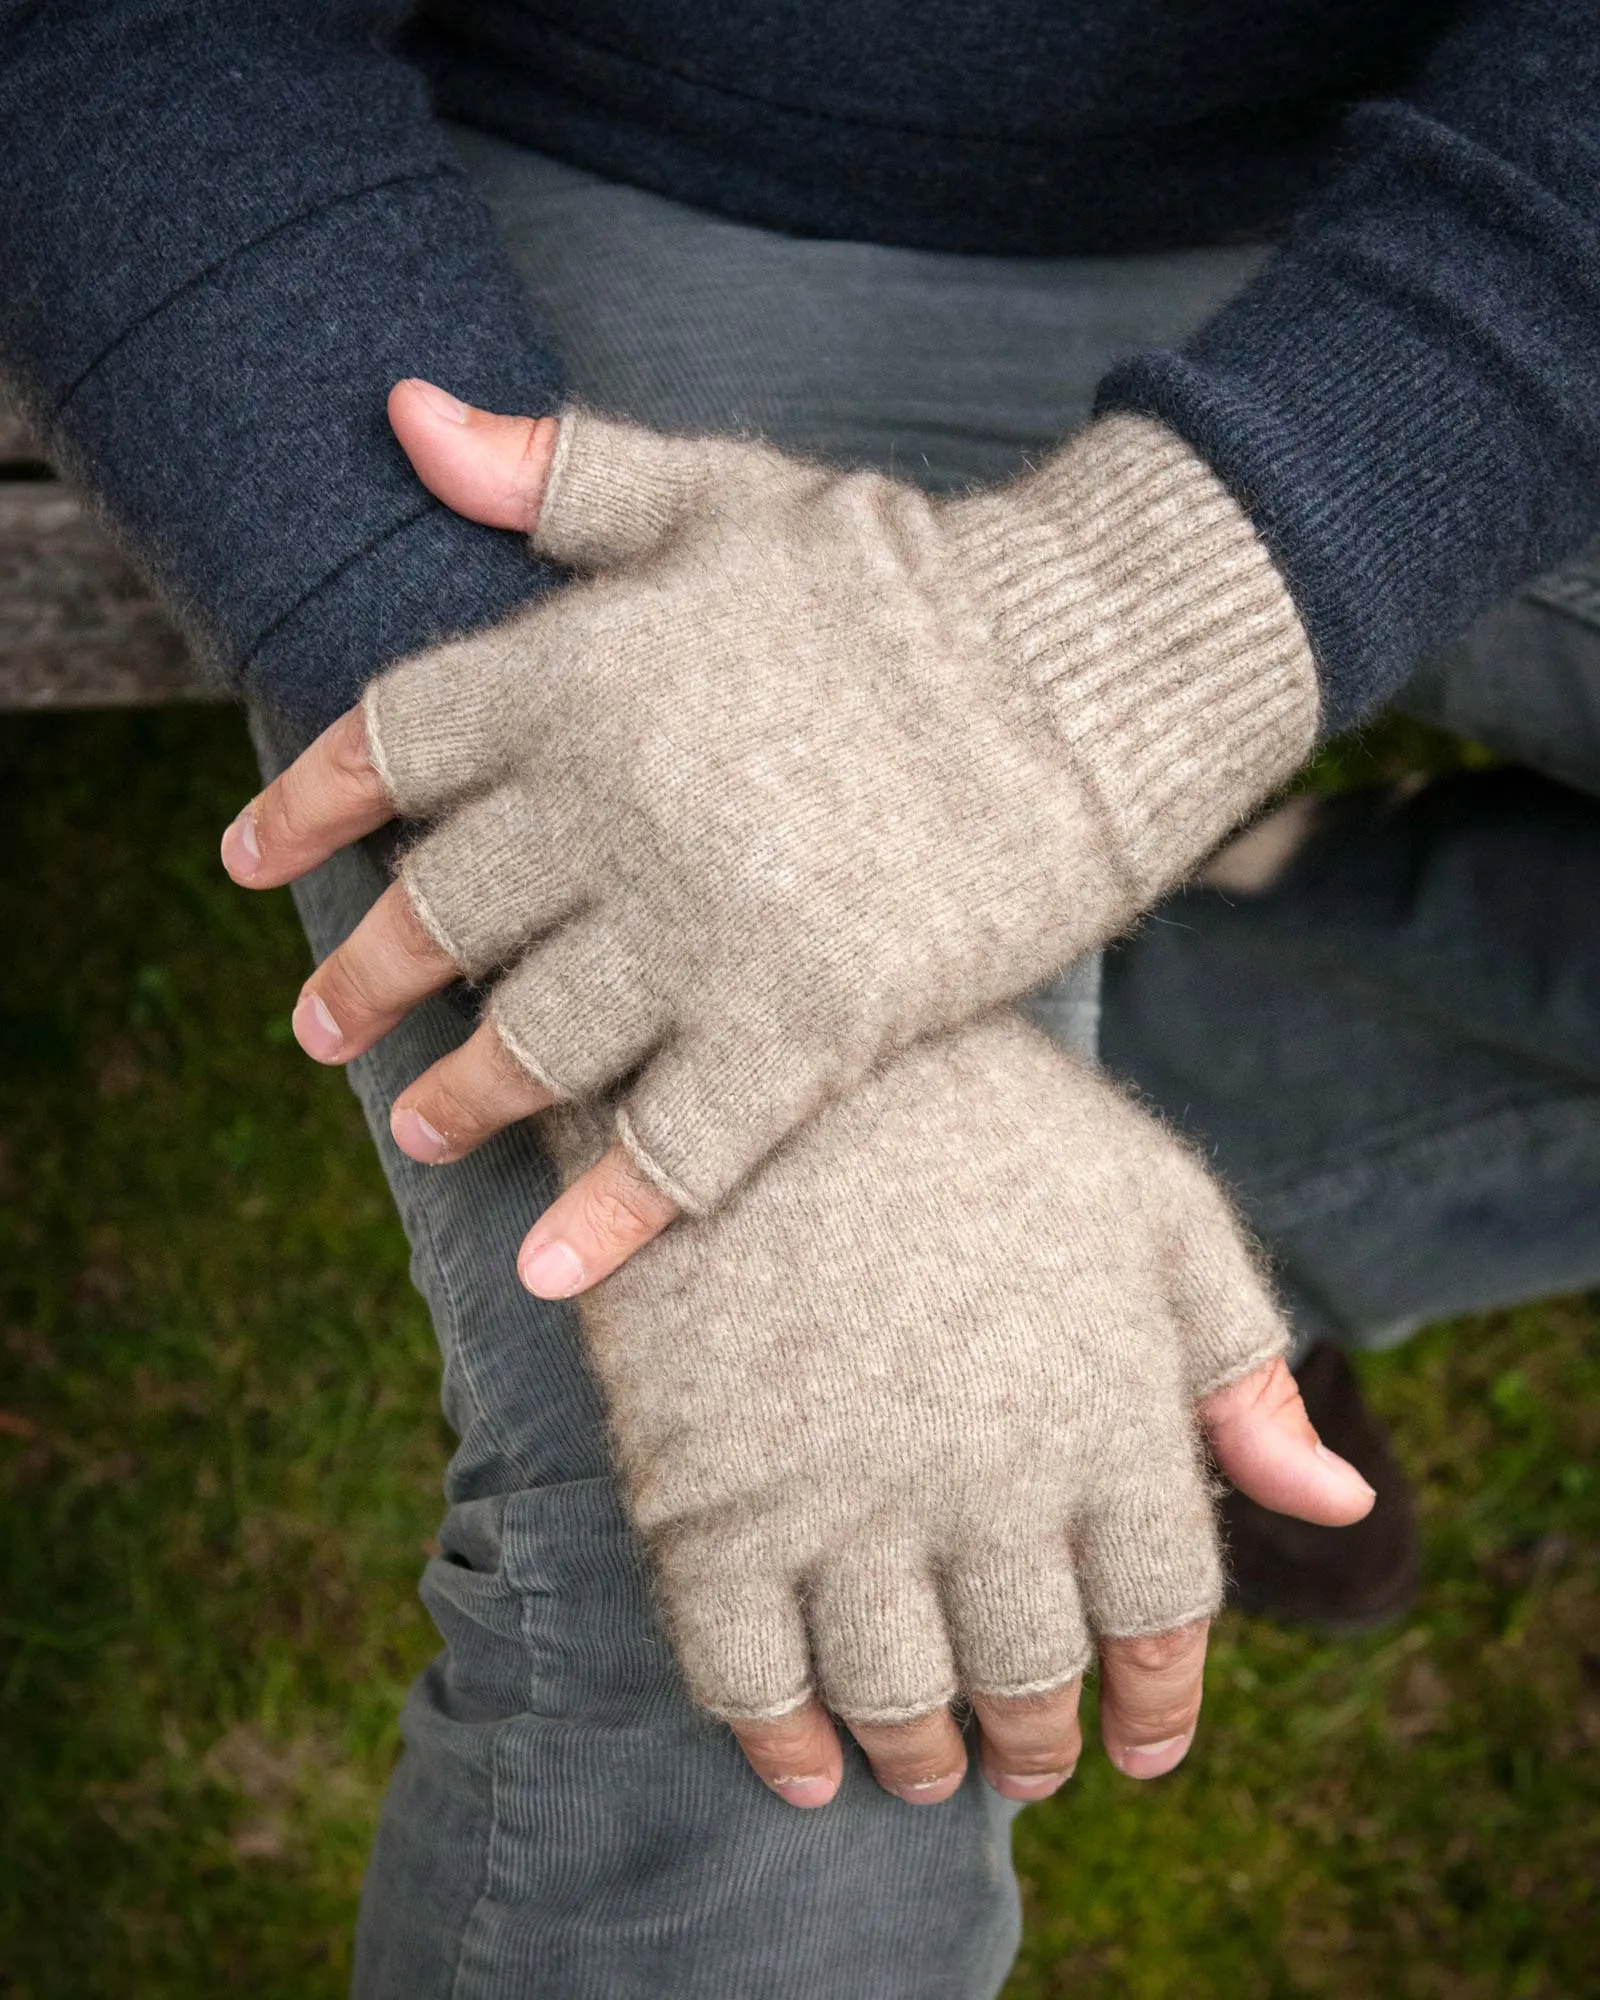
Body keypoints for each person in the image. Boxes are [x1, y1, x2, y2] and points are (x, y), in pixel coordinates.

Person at [2, 2, 1596, 1993]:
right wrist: (714, 939)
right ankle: (1010, 1106)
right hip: (619, 180)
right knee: (784, 1592)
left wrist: (1119, 627)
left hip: (1498, 172)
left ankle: (1207, 1136)